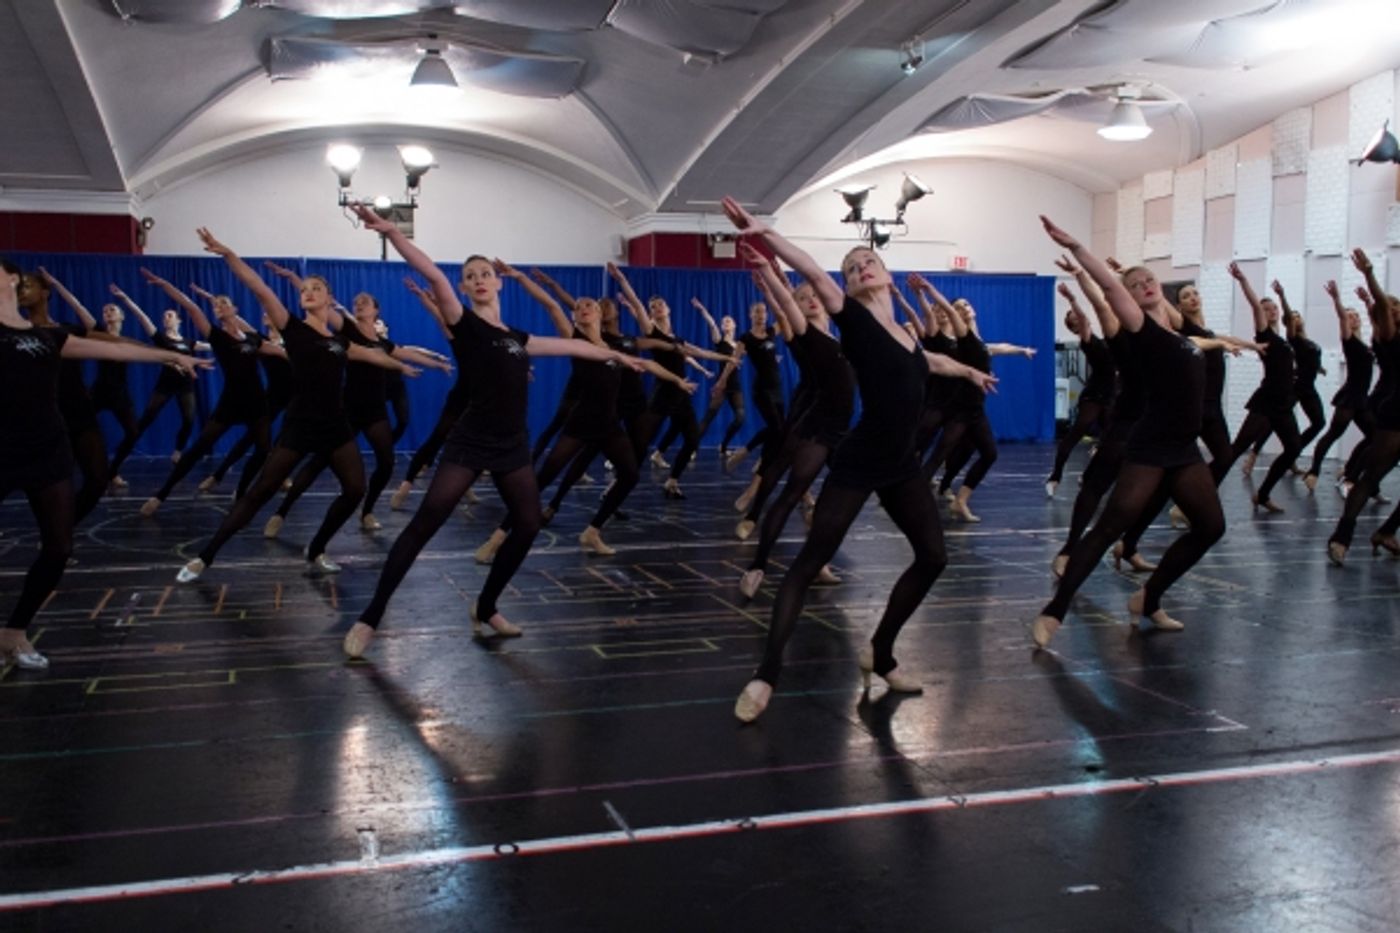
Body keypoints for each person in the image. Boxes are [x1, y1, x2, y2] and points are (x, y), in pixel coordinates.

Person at [718, 197, 996, 723]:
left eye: (867, 261)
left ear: (886, 274)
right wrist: (765, 234)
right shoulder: (855, 320)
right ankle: (766, 674)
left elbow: (927, 360)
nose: (859, 266)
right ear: (845, 286)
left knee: (933, 557)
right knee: (806, 564)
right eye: (850, 268)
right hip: (860, 459)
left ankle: (881, 653)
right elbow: (806, 268)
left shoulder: (905, 332)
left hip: (903, 464)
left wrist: (968, 373)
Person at [340, 205, 645, 658]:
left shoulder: (519, 338)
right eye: (471, 275)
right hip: (469, 441)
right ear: (465, 287)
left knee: (526, 524)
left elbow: (573, 344)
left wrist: (624, 358)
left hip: (512, 446)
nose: (480, 278)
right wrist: (393, 234)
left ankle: (485, 607)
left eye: (486, 273)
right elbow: (434, 276)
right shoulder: (465, 325)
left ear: (498, 282)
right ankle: (371, 615)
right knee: (425, 524)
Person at [1, 256, 210, 670]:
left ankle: (14, 632)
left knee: (59, 548)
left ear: (12, 280)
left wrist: (171, 358)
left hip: (47, 450)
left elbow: (110, 347)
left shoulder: (49, 336)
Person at [175, 228, 417, 582]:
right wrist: (228, 254)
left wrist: (404, 366)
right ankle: (205, 556)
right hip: (300, 424)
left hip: (335, 425)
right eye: (303, 290)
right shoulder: (292, 327)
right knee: (261, 491)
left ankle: (317, 547)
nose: (307, 293)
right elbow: (259, 286)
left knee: (355, 490)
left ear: (329, 298)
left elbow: (372, 354)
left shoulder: (339, 341)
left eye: (315, 288)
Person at [1032, 218, 1225, 648]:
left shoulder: (1181, 335)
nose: (1143, 285)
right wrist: (1080, 250)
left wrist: (1239, 345)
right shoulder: (1142, 331)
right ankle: (1054, 609)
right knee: (1107, 529)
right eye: (1135, 284)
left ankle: (1149, 597)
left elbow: (1202, 341)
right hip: (1151, 445)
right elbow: (1110, 291)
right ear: (1130, 299)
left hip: (1184, 449)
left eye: (1149, 279)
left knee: (1211, 527)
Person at [734, 246, 854, 597]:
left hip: (843, 430)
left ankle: (818, 562)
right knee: (790, 494)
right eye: (803, 297)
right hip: (816, 427)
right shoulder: (805, 334)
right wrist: (772, 278)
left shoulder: (842, 338)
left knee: (836, 506)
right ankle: (757, 565)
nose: (811, 299)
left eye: (815, 294)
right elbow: (785, 306)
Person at [136, 270, 282, 516]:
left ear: (234, 308)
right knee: (198, 448)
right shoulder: (216, 336)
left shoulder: (252, 338)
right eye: (216, 305)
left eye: (223, 303)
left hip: (257, 402)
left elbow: (281, 353)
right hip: (230, 401)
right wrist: (165, 285)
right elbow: (192, 307)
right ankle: (161, 494)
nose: (219, 307)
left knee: (263, 449)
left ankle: (242, 491)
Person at [1327, 249, 1399, 565]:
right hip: (1396, 413)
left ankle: (1386, 531)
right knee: (1371, 477)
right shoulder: (1387, 336)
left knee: (1371, 476)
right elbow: (1382, 306)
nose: (1394, 309)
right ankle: (1341, 536)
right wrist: (1369, 274)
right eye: (1391, 307)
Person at [1303, 281, 1374, 492]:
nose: (1353, 318)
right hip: (1351, 396)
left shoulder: (1364, 344)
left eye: (1356, 316)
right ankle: (1314, 471)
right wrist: (1336, 299)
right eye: (1350, 316)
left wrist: (1369, 304)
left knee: (1374, 436)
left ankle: (1348, 470)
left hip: (1361, 398)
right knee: (1333, 434)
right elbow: (1342, 317)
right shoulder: (1349, 340)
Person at [1046, 295, 1116, 498]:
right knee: (1076, 433)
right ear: (1073, 327)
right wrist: (1072, 300)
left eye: (1078, 315)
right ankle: (1055, 476)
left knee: (1111, 440)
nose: (1078, 317)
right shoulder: (1086, 339)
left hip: (1111, 394)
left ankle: (1087, 476)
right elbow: (1084, 320)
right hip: (1094, 395)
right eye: (1073, 317)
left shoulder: (1103, 338)